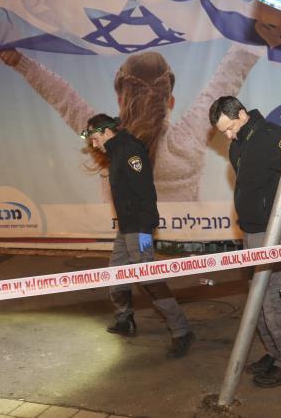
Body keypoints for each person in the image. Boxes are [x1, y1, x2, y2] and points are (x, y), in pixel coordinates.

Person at [0, 43, 263, 202]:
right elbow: (229, 74)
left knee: (131, 264)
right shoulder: (188, 140)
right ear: (170, 101)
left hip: (130, 231)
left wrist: (21, 63)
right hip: (179, 233)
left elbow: (63, 98)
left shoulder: (110, 139)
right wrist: (260, 28)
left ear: (119, 99)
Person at [208, 95, 281, 387]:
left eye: (230, 128)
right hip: (252, 233)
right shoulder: (238, 144)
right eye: (223, 132)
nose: (228, 135)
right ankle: (274, 351)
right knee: (258, 298)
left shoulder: (272, 136)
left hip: (276, 232)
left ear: (242, 114)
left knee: (277, 298)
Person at [81, 113, 195, 359]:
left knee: (149, 279)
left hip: (139, 228)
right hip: (126, 228)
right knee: (116, 273)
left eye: (94, 137)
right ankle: (125, 320)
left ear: (107, 132)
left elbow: (145, 193)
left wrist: (145, 231)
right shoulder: (116, 150)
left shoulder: (130, 151)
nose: (93, 143)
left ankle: (182, 331)